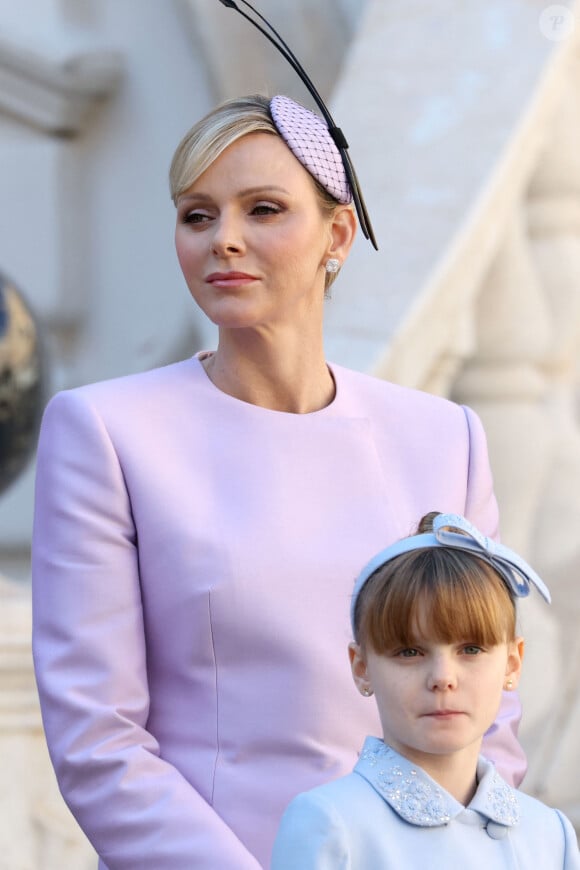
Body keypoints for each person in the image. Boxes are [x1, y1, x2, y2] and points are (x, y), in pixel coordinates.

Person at [32, 89, 526, 869]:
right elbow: (98, 740)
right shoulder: (105, 432)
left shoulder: (443, 437)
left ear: (338, 233)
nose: (223, 240)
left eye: (262, 209)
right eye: (198, 215)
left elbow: (489, 701)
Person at [271, 512, 580, 869]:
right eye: (409, 652)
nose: (442, 677)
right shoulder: (331, 822)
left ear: (512, 663)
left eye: (471, 649)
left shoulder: (549, 834)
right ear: (362, 668)